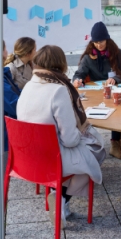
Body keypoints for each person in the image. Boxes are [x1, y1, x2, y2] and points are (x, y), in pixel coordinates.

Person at [17, 45, 105, 224]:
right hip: (51, 157)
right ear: (61, 64)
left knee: (83, 154)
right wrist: (82, 134)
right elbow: (70, 140)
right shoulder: (59, 90)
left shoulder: (28, 86)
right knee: (97, 152)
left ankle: (59, 197)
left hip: (25, 157)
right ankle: (62, 198)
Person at [73, 22, 121, 160]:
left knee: (117, 107)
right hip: (96, 92)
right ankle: (116, 138)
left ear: (107, 39)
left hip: (114, 90)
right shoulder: (88, 57)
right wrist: (77, 80)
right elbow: (79, 74)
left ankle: (115, 143)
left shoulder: (116, 53)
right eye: (96, 42)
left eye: (102, 41)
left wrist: (115, 79)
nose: (99, 45)